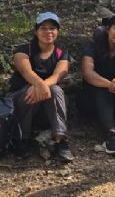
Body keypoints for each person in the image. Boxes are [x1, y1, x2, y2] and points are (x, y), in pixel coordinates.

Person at [8, 12, 73, 162]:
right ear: (36, 31)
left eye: (52, 28)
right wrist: (37, 84)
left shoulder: (62, 54)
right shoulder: (23, 50)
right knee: (29, 90)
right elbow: (26, 71)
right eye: (43, 28)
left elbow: (58, 75)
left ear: (58, 31)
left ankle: (61, 141)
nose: (48, 32)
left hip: (48, 106)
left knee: (55, 89)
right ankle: (22, 138)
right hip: (22, 103)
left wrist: (41, 86)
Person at [81, 15, 115, 155]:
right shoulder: (92, 47)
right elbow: (88, 73)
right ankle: (110, 134)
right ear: (107, 29)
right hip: (93, 98)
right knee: (100, 85)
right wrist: (111, 85)